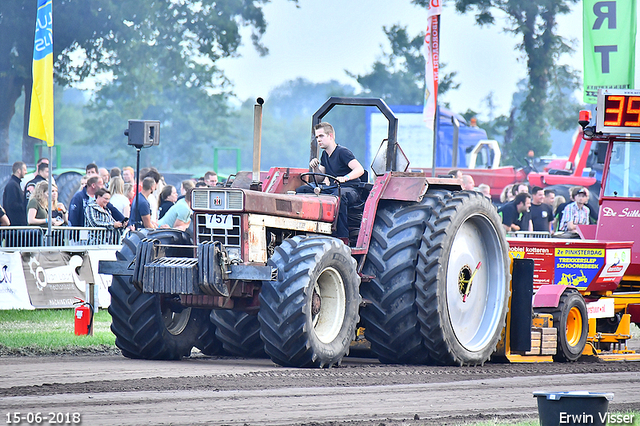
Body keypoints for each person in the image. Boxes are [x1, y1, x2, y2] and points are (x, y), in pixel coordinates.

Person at [296, 122, 365, 240]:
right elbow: (320, 178)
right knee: (303, 190)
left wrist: (345, 178)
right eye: (317, 137)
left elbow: (359, 169)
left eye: (321, 136)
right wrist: (315, 167)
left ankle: (343, 237)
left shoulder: (342, 152)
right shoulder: (325, 155)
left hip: (351, 188)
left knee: (338, 196)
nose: (318, 140)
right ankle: (303, 230)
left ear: (330, 136)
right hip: (334, 187)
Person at [3, 161, 28, 226]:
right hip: (15, 224)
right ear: (19, 171)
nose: (26, 172)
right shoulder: (12, 185)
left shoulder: (14, 184)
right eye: (24, 170)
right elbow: (12, 204)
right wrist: (25, 205)